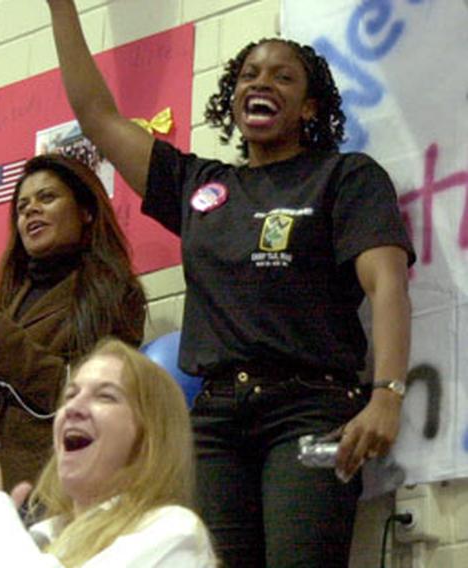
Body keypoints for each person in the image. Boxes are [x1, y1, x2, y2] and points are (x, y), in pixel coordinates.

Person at [45, 2, 415, 566]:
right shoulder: (199, 185)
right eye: (249, 75)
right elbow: (97, 118)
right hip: (214, 424)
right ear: (232, 96)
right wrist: (60, 7)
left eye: (282, 76)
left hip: (310, 410)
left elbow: (387, 281)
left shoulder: (345, 176)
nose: (261, 83)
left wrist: (388, 393)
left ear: (310, 105)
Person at [0, 154, 146, 491]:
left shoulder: (115, 293)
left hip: (56, 490)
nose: (30, 211)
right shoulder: (0, 304)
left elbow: (89, 398)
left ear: (86, 212)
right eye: (22, 206)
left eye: (47, 198)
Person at [0, 338, 216, 567]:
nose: (72, 408)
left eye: (105, 396)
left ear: (149, 436)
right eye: (70, 395)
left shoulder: (174, 533)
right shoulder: (41, 538)